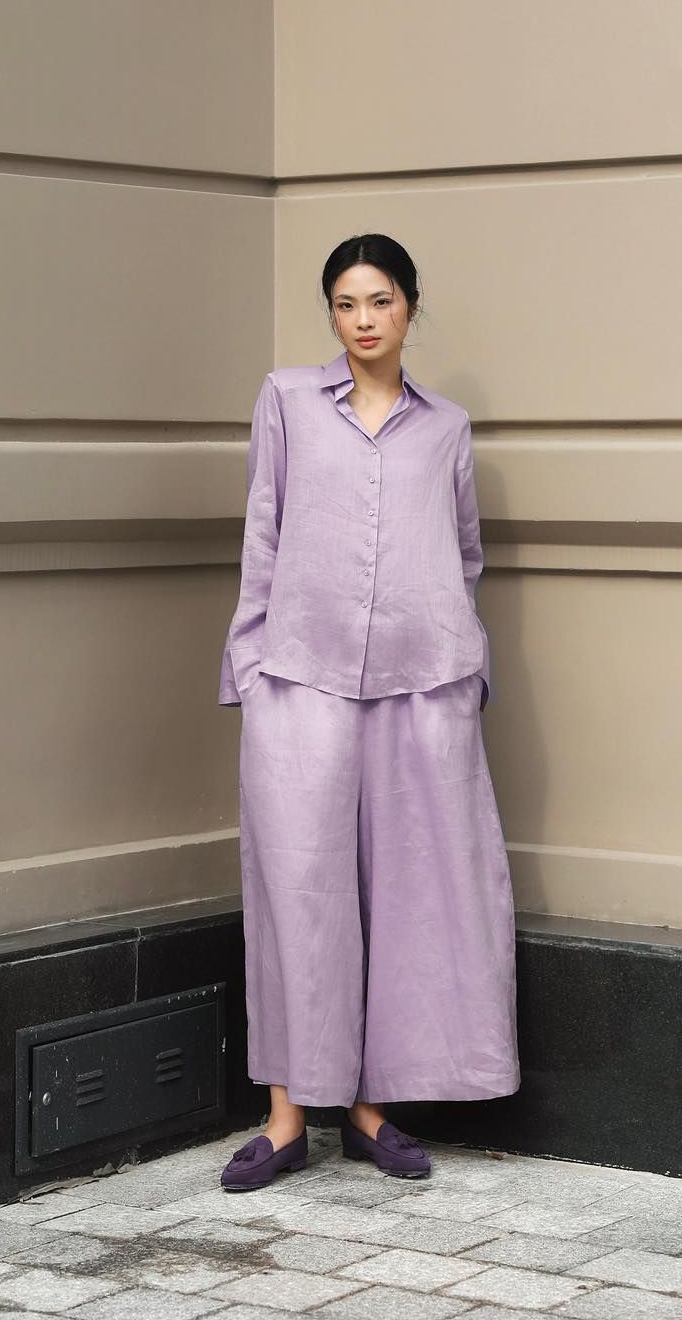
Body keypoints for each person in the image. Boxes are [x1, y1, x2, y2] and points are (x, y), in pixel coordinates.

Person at [217, 234, 520, 1191]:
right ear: (332, 314)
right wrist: (250, 661)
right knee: (298, 888)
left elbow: (462, 555)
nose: (363, 320)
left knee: (408, 894)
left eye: (380, 301)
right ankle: (285, 1118)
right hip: (298, 675)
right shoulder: (286, 402)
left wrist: (464, 667)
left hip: (421, 687)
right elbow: (262, 532)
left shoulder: (447, 429)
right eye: (346, 304)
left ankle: (371, 1111)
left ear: (410, 307)